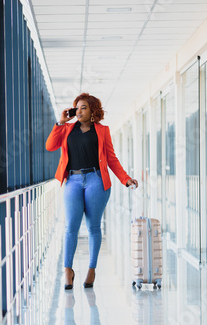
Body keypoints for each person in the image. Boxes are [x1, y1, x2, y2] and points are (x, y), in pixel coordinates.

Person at [45, 92, 138, 290]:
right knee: (71, 227)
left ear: (92, 111)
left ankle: (91, 269)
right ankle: (67, 270)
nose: (78, 111)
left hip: (96, 180)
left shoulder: (102, 131)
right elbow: (50, 146)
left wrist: (125, 178)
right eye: (77, 108)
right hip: (73, 180)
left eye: (83, 108)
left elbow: (111, 159)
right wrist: (60, 122)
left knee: (94, 227)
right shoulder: (68, 129)